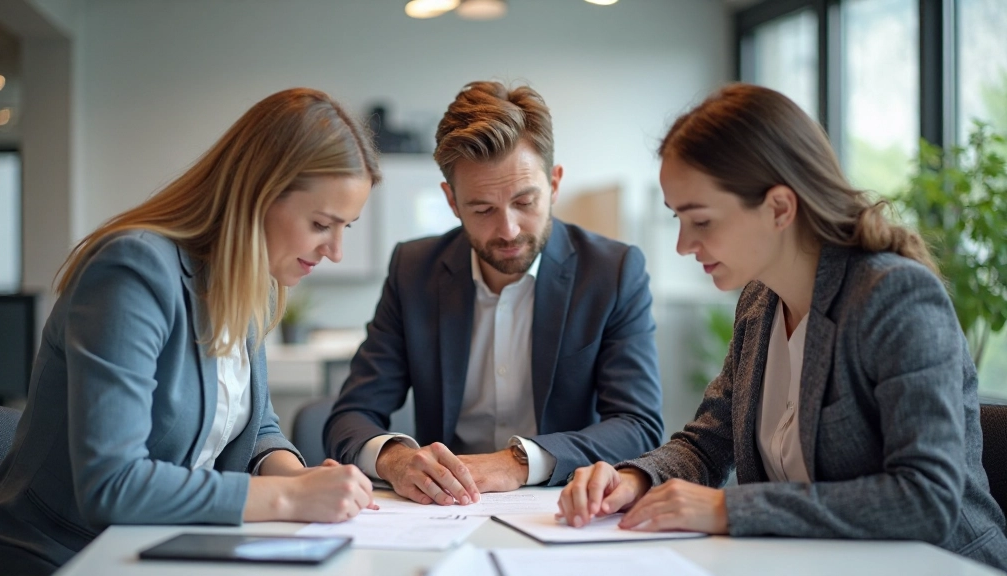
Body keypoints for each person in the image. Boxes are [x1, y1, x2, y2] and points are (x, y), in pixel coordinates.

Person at [557, 83, 1007, 570]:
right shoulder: (759, 299)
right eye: (678, 220)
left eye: (701, 221)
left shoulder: (895, 298)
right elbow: (709, 440)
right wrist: (636, 479)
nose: (683, 245)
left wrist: (727, 508)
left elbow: (926, 499)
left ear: (778, 207)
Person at [0, 88, 382, 575]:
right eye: (322, 224)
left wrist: (298, 476)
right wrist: (289, 496)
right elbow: (113, 484)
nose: (335, 250)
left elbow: (256, 427)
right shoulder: (131, 271)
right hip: (65, 556)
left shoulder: (249, 280)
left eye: (347, 227)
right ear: (258, 193)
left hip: (168, 546)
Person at [324, 81, 664, 505]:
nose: (508, 230)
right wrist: (395, 459)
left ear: (554, 184)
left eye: (525, 202)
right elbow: (351, 414)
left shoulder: (612, 272)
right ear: (451, 201)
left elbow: (638, 424)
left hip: (561, 505)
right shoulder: (414, 271)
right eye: (482, 209)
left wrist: (517, 462)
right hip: (444, 509)